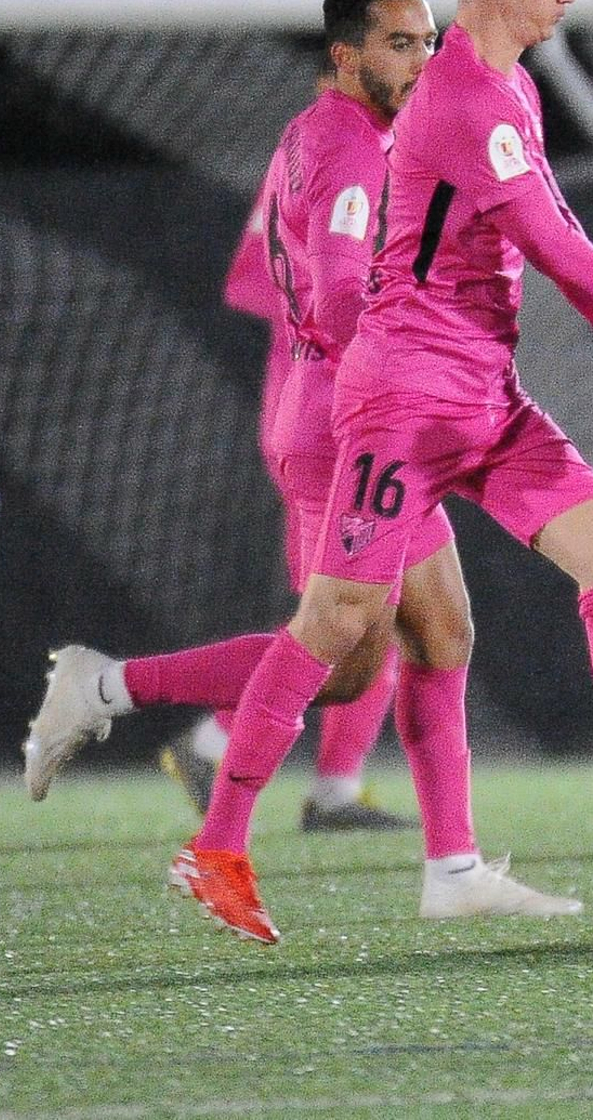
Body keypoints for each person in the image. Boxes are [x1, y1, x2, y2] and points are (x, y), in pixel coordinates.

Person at [117, 0, 593, 945]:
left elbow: (556, 229)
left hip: (485, 394)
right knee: (338, 626)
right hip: (405, 403)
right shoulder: (461, 97)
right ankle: (218, 847)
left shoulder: (512, 89)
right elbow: (553, 242)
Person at [24, 0, 583, 924]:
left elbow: (274, 284)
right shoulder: (354, 149)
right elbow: (334, 291)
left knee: (422, 638)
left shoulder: (324, 133)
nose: (421, 60)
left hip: (337, 412)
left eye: (426, 41)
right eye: (399, 43)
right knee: (338, 640)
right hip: (350, 423)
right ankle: (203, 822)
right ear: (345, 54)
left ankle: (450, 869)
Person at [159, 57, 412, 832]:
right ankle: (199, 730)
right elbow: (333, 299)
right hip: (334, 412)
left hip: (308, 404)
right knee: (349, 612)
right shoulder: (343, 159)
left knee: (369, 610)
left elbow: (256, 284)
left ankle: (327, 787)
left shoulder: (308, 155)